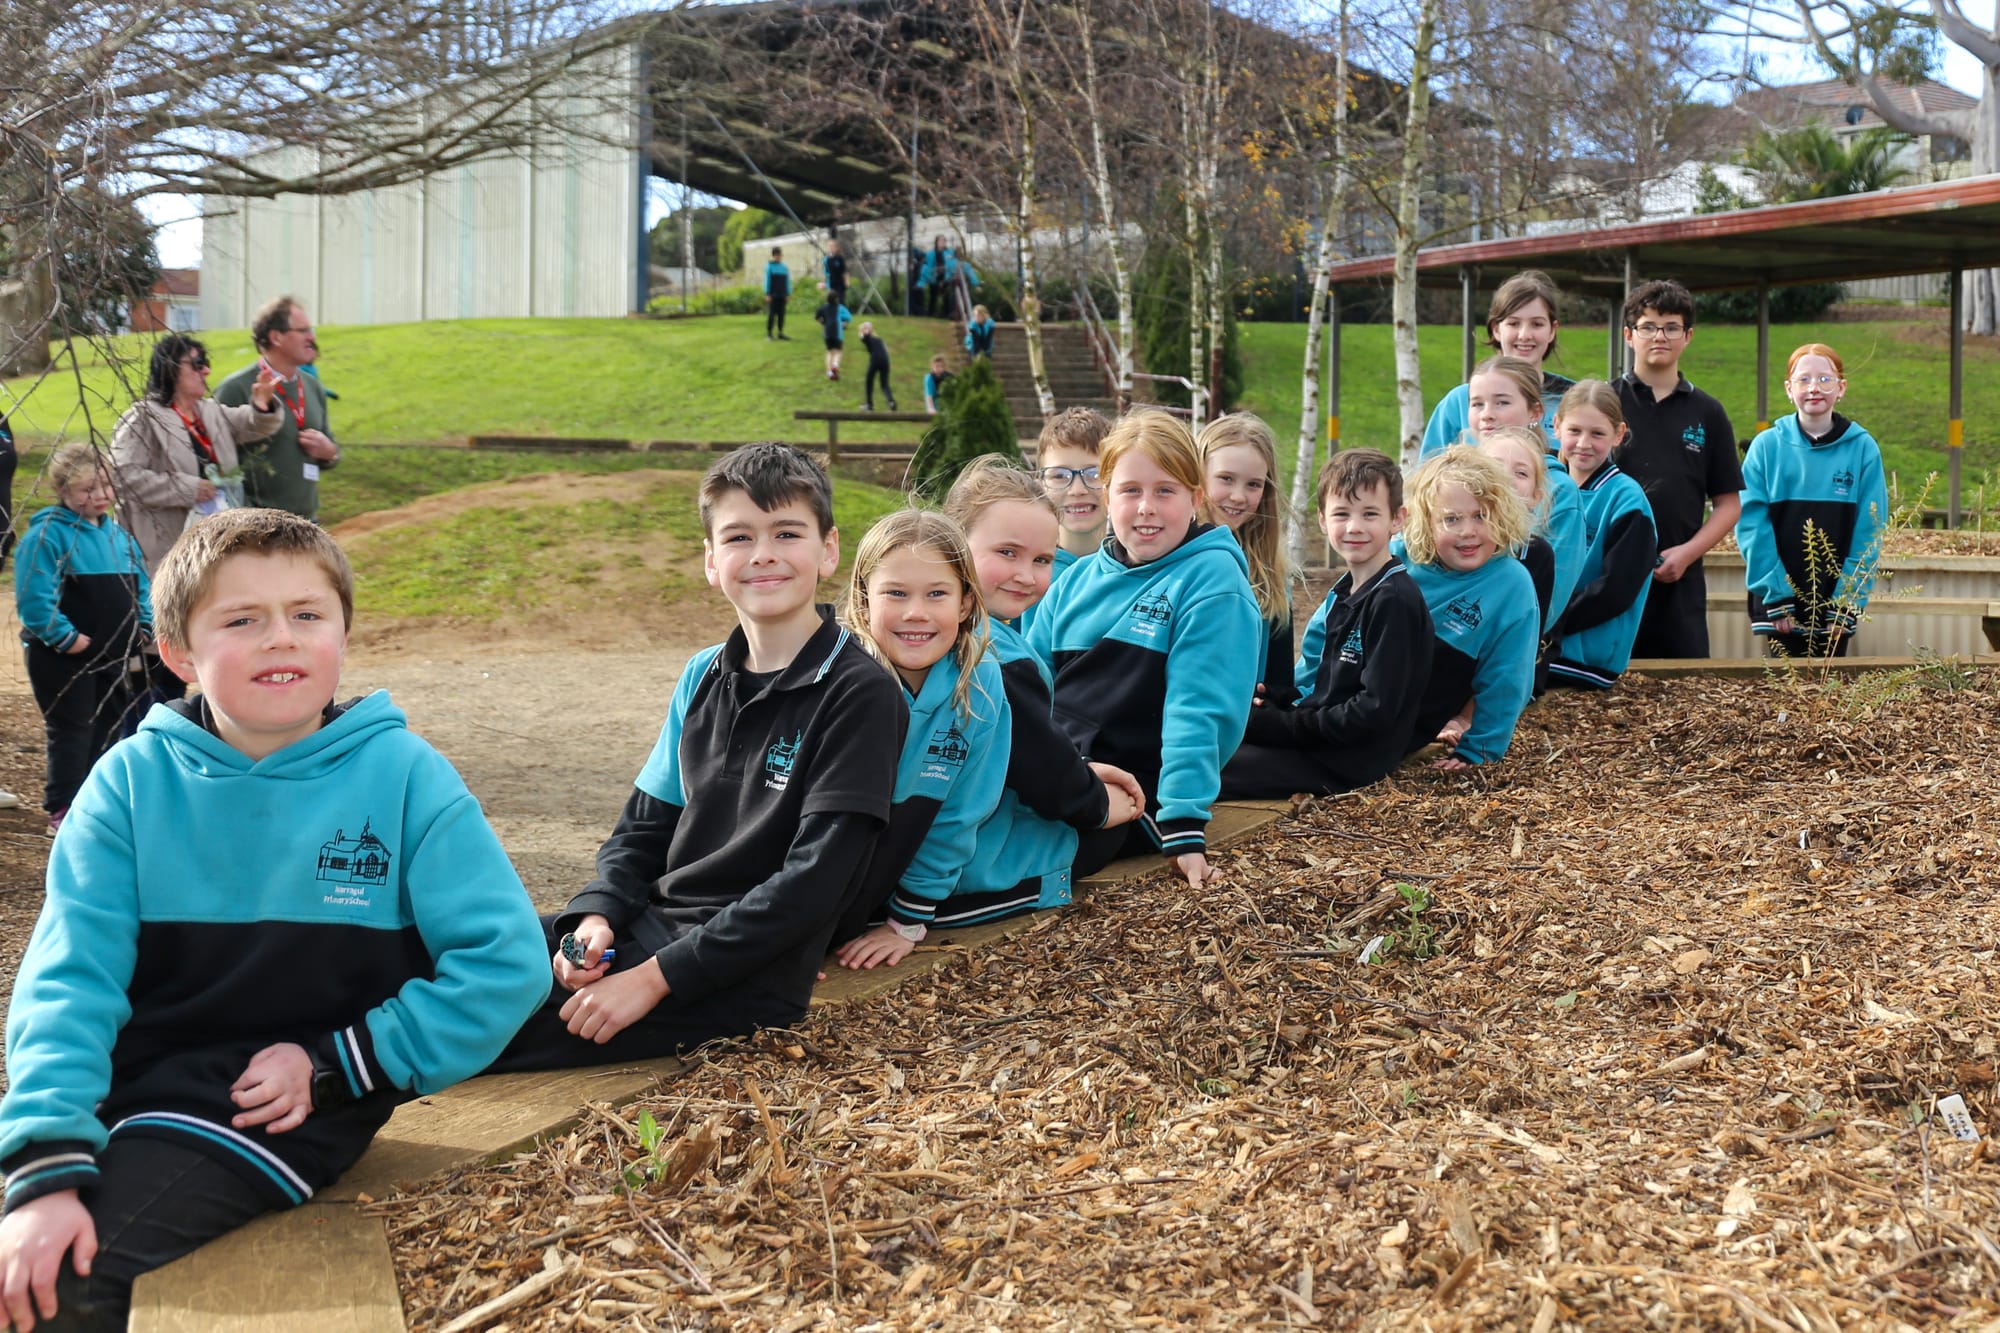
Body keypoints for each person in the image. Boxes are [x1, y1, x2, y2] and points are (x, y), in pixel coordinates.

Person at [0, 508, 547, 1332]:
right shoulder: (127, 783)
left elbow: (506, 964)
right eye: (242, 619)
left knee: (65, 1286)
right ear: (179, 652)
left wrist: (338, 1061)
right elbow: (67, 982)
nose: (280, 637)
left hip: (276, 1108)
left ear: (343, 634)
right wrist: (44, 1162)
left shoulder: (405, 776)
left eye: (306, 613)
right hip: (129, 1097)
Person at [486, 445, 906, 1071]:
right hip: (648, 928)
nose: (763, 553)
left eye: (787, 533)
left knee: (471, 1020)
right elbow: (642, 828)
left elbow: (813, 885)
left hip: (734, 978)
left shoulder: (860, 691)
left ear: (828, 550)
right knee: (446, 955)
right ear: (712, 560)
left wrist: (651, 980)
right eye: (739, 537)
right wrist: (596, 918)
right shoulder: (703, 673)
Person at [1026, 411, 1260, 889]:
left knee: (1012, 864)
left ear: (1196, 498)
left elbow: (1199, 710)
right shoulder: (1075, 582)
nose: (1146, 507)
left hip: (1133, 798)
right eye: (1130, 490)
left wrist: (1183, 825)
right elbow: (1026, 690)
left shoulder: (1212, 581)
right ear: (1107, 496)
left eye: (1165, 491)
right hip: (1056, 775)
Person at [936, 459, 1146, 906]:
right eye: (1007, 553)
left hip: (936, 826)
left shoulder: (928, 630)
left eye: (1042, 560)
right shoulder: (999, 657)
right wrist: (1099, 802)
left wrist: (1081, 769)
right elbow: (1044, 774)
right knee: (1118, 827)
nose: (1026, 575)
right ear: (954, 543)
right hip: (966, 859)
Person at [829, 511, 1010, 970]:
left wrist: (907, 920)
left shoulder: (981, 683)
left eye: (936, 594)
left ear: (965, 603)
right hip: (816, 885)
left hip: (900, 882)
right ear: (864, 599)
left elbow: (961, 812)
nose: (916, 612)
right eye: (896, 593)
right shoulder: (833, 679)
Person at [1221, 449, 1433, 799]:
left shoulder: (1394, 600)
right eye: (1341, 514)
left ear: (1397, 519)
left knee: (1207, 767)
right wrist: (1280, 700)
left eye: (1369, 514)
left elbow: (1373, 712)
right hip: (1324, 742)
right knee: (1210, 742)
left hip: (1348, 760)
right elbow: (1334, 689)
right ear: (1322, 520)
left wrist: (1282, 725)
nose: (1354, 527)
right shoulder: (1347, 591)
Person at [13, 445, 152, 835]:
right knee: (73, 730)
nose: (100, 495)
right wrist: (66, 638)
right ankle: (63, 808)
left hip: (115, 655)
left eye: (105, 485)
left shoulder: (119, 537)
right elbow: (34, 597)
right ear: (63, 490)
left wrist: (144, 626)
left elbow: (142, 588)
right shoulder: (46, 536)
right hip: (63, 659)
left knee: (109, 727)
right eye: (87, 489)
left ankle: (95, 804)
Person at [1613, 279, 1743, 659]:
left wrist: (1687, 553)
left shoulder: (1708, 412)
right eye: (1648, 327)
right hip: (1611, 577)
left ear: (1687, 336)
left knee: (1686, 685)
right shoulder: (1604, 403)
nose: (1660, 336)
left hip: (1680, 586)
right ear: (1628, 335)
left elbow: (1729, 504)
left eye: (1671, 327)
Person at [1736, 343, 1888, 659]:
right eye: (1803, 379)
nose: (1814, 387)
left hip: (1835, 607)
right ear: (1788, 389)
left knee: (1828, 686)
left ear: (1841, 388)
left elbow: (1870, 533)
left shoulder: (1863, 449)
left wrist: (1846, 602)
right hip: (1779, 605)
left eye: (1824, 379)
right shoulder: (1765, 448)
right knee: (1783, 685)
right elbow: (1751, 526)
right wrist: (1776, 594)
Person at [1399, 446, 1540, 771]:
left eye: (1481, 516)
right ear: (1426, 523)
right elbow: (1334, 626)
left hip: (1400, 730)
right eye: (1451, 519)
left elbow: (1508, 678)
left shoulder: (1511, 585)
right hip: (1345, 705)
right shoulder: (1398, 561)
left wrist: (1478, 751)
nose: (1468, 531)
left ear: (1502, 516)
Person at [110, 334, 281, 573]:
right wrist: (188, 489)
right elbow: (121, 478)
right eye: (198, 364)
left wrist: (263, 405)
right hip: (163, 550)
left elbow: (253, 424)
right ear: (171, 369)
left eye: (206, 363)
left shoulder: (209, 411)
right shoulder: (142, 418)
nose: (206, 371)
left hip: (215, 543)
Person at [1465, 356, 1586, 642]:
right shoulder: (1452, 482)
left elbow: (1551, 598)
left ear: (1535, 412)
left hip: (1512, 644)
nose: (1487, 414)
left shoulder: (1559, 490)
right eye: (1477, 403)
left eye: (1502, 402)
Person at [1547, 381, 1658, 689]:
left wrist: (1547, 624)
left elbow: (1615, 591)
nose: (1584, 443)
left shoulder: (1627, 500)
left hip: (1583, 658)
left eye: (1597, 434)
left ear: (1618, 434)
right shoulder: (1545, 487)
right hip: (1538, 643)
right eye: (1575, 430)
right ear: (1556, 426)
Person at [1420, 270, 1576, 460]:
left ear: (1552, 330)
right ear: (1496, 329)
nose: (1525, 335)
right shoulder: (1459, 402)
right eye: (1513, 323)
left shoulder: (1574, 401)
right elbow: (1427, 472)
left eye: (1537, 324)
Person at [1196, 413, 1296, 709]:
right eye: (1226, 479)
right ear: (1197, 475)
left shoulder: (1271, 576)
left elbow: (1281, 681)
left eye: (1253, 484)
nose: (1239, 496)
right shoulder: (1170, 561)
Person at [214, 297, 339, 521]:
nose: (312, 337)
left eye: (311, 330)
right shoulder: (236, 388)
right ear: (276, 337)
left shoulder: (314, 387)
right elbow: (214, 465)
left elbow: (331, 451)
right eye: (303, 331)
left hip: (308, 524)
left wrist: (329, 453)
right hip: (255, 528)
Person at [1034, 406, 1112, 584]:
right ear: (1040, 486)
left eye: (1094, 474)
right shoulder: (1025, 574)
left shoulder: (1137, 570)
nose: (1077, 490)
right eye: (1059, 476)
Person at [814, 285, 853, 382]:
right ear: (837, 299)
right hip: (837, 333)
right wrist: (843, 322)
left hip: (827, 333)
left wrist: (823, 322)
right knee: (838, 351)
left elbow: (816, 317)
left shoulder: (823, 307)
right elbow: (849, 317)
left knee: (829, 352)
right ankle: (835, 364)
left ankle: (829, 373)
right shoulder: (840, 308)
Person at [857, 321, 897, 412]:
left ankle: (869, 404)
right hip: (885, 360)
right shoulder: (879, 339)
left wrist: (865, 328)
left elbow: (863, 334)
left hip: (875, 359)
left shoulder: (866, 337)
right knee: (884, 384)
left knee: (869, 381)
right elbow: (886, 350)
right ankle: (891, 402)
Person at [763, 247, 791, 341]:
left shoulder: (784, 267)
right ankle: (769, 334)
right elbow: (767, 281)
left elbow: (787, 281)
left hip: (782, 294)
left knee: (781, 315)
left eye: (780, 255)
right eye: (777, 255)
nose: (778, 257)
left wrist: (788, 293)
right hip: (773, 295)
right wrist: (767, 294)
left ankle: (780, 333)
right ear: (773, 255)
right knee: (771, 315)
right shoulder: (769, 267)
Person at [822, 238, 849, 312]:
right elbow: (826, 272)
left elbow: (845, 271)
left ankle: (843, 315)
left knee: (840, 300)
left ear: (836, 248)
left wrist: (846, 281)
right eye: (829, 246)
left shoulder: (840, 258)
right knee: (831, 301)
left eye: (832, 246)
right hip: (831, 283)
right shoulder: (827, 259)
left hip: (840, 283)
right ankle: (833, 315)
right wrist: (824, 283)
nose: (830, 248)